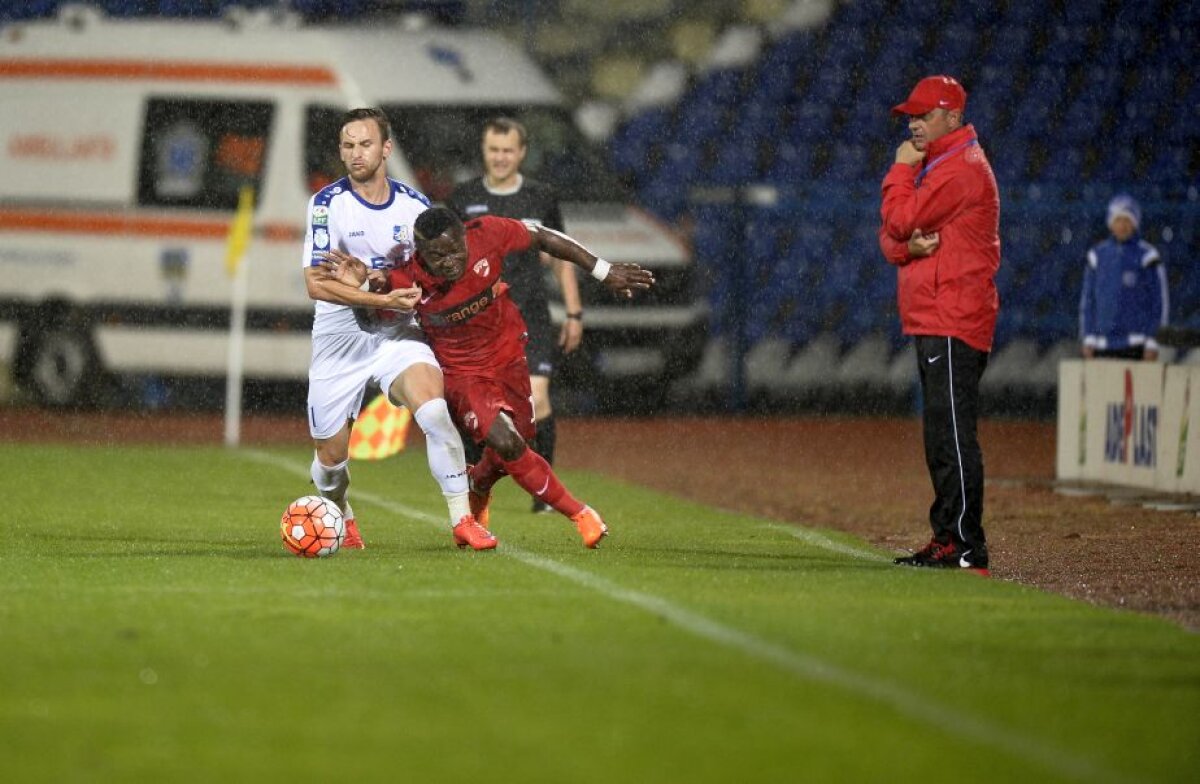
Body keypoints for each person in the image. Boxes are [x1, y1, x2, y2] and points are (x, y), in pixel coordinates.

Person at [317, 207, 654, 548]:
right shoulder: (408, 279)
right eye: (437, 256)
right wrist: (360, 288)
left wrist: (602, 269)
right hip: (462, 376)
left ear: (465, 236)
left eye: (454, 250)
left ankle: (478, 481)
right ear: (421, 254)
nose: (448, 261)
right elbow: (372, 322)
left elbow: (543, 236)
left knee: (517, 450)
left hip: (510, 358)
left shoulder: (488, 233)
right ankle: (582, 515)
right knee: (508, 443)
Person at [301, 108, 492, 552]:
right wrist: (378, 295)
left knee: (433, 410)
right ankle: (342, 517)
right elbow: (316, 284)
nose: (355, 154)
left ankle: (463, 520)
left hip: (397, 333)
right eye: (347, 146)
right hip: (339, 337)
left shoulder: (415, 208)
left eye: (364, 144)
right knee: (331, 462)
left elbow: (437, 273)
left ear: (386, 148)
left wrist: (386, 288)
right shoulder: (327, 205)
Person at [877, 75, 1000, 575]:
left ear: (952, 116)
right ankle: (949, 538)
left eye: (924, 115)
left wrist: (899, 172)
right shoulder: (943, 164)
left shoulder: (957, 170)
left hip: (953, 317)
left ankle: (966, 545)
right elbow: (890, 240)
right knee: (941, 437)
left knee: (951, 437)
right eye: (912, 115)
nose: (915, 124)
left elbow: (899, 221)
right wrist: (905, 247)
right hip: (937, 316)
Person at [445, 117, 583, 513]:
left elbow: (560, 257)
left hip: (529, 316)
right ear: (484, 152)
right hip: (477, 323)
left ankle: (545, 494)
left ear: (522, 153)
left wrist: (573, 313)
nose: (501, 158)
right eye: (494, 150)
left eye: (508, 150)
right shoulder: (463, 198)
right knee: (476, 410)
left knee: (536, 401)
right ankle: (477, 484)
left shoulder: (541, 197)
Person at [1079, 193, 1168, 361]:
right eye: (1118, 220)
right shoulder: (1097, 255)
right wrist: (1088, 336)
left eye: (1127, 220)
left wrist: (1153, 340)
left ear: (1135, 223)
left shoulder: (1147, 256)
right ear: (1110, 223)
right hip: (1102, 345)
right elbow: (1088, 301)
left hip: (1136, 345)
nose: (1122, 225)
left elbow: (1158, 303)